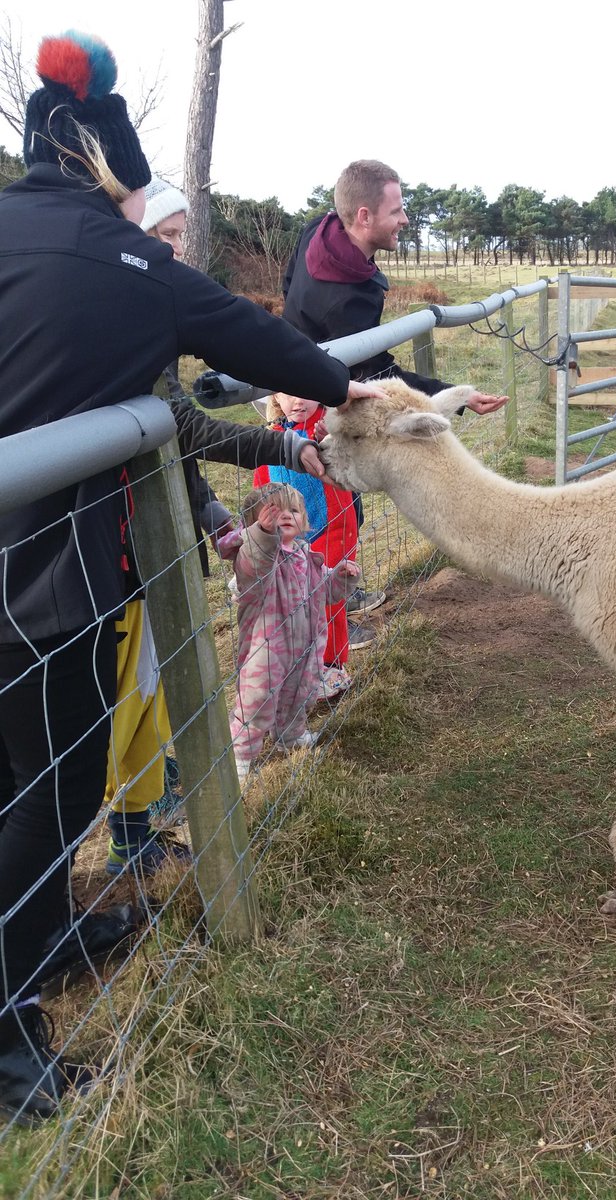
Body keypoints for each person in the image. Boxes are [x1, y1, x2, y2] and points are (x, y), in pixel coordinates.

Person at [0, 31, 382, 1121]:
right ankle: (8, 1015)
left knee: (12, 784)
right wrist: (341, 391)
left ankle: (42, 930)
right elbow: (269, 348)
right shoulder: (128, 265)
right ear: (112, 170)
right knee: (54, 790)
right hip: (46, 582)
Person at [282, 159, 507, 633]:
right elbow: (380, 375)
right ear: (363, 217)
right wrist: (454, 396)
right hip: (322, 407)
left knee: (335, 513)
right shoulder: (348, 299)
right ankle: (323, 626)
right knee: (325, 518)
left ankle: (332, 603)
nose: (405, 219)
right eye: (398, 210)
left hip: (306, 391)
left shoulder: (317, 233)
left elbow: (289, 297)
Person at [216, 484, 358, 780]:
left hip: (304, 647)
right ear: (254, 522)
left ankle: (290, 736)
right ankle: (241, 756)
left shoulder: (307, 556)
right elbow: (252, 567)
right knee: (256, 702)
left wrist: (342, 578)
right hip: (266, 651)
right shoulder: (257, 558)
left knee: (300, 695)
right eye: (273, 511)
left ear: (305, 520)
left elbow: (325, 591)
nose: (285, 515)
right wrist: (263, 536)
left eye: (293, 510)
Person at [253, 393, 361, 692]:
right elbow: (261, 486)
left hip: (333, 529)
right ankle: (301, 666)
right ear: (274, 396)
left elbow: (351, 452)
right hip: (290, 540)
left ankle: (331, 665)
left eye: (305, 393)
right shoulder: (271, 439)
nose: (298, 401)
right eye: (287, 394)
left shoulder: (326, 427)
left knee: (327, 599)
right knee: (294, 604)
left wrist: (332, 437)